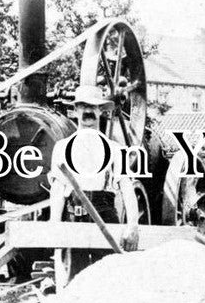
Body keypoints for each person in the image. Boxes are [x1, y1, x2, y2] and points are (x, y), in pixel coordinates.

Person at [48, 85, 140, 276]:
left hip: (106, 217)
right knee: (75, 280)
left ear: (100, 111)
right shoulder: (61, 147)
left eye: (93, 106)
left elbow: (127, 187)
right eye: (82, 106)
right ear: (75, 111)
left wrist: (132, 226)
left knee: (109, 278)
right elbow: (58, 191)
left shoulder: (115, 149)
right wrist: (54, 225)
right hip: (74, 218)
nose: (88, 110)